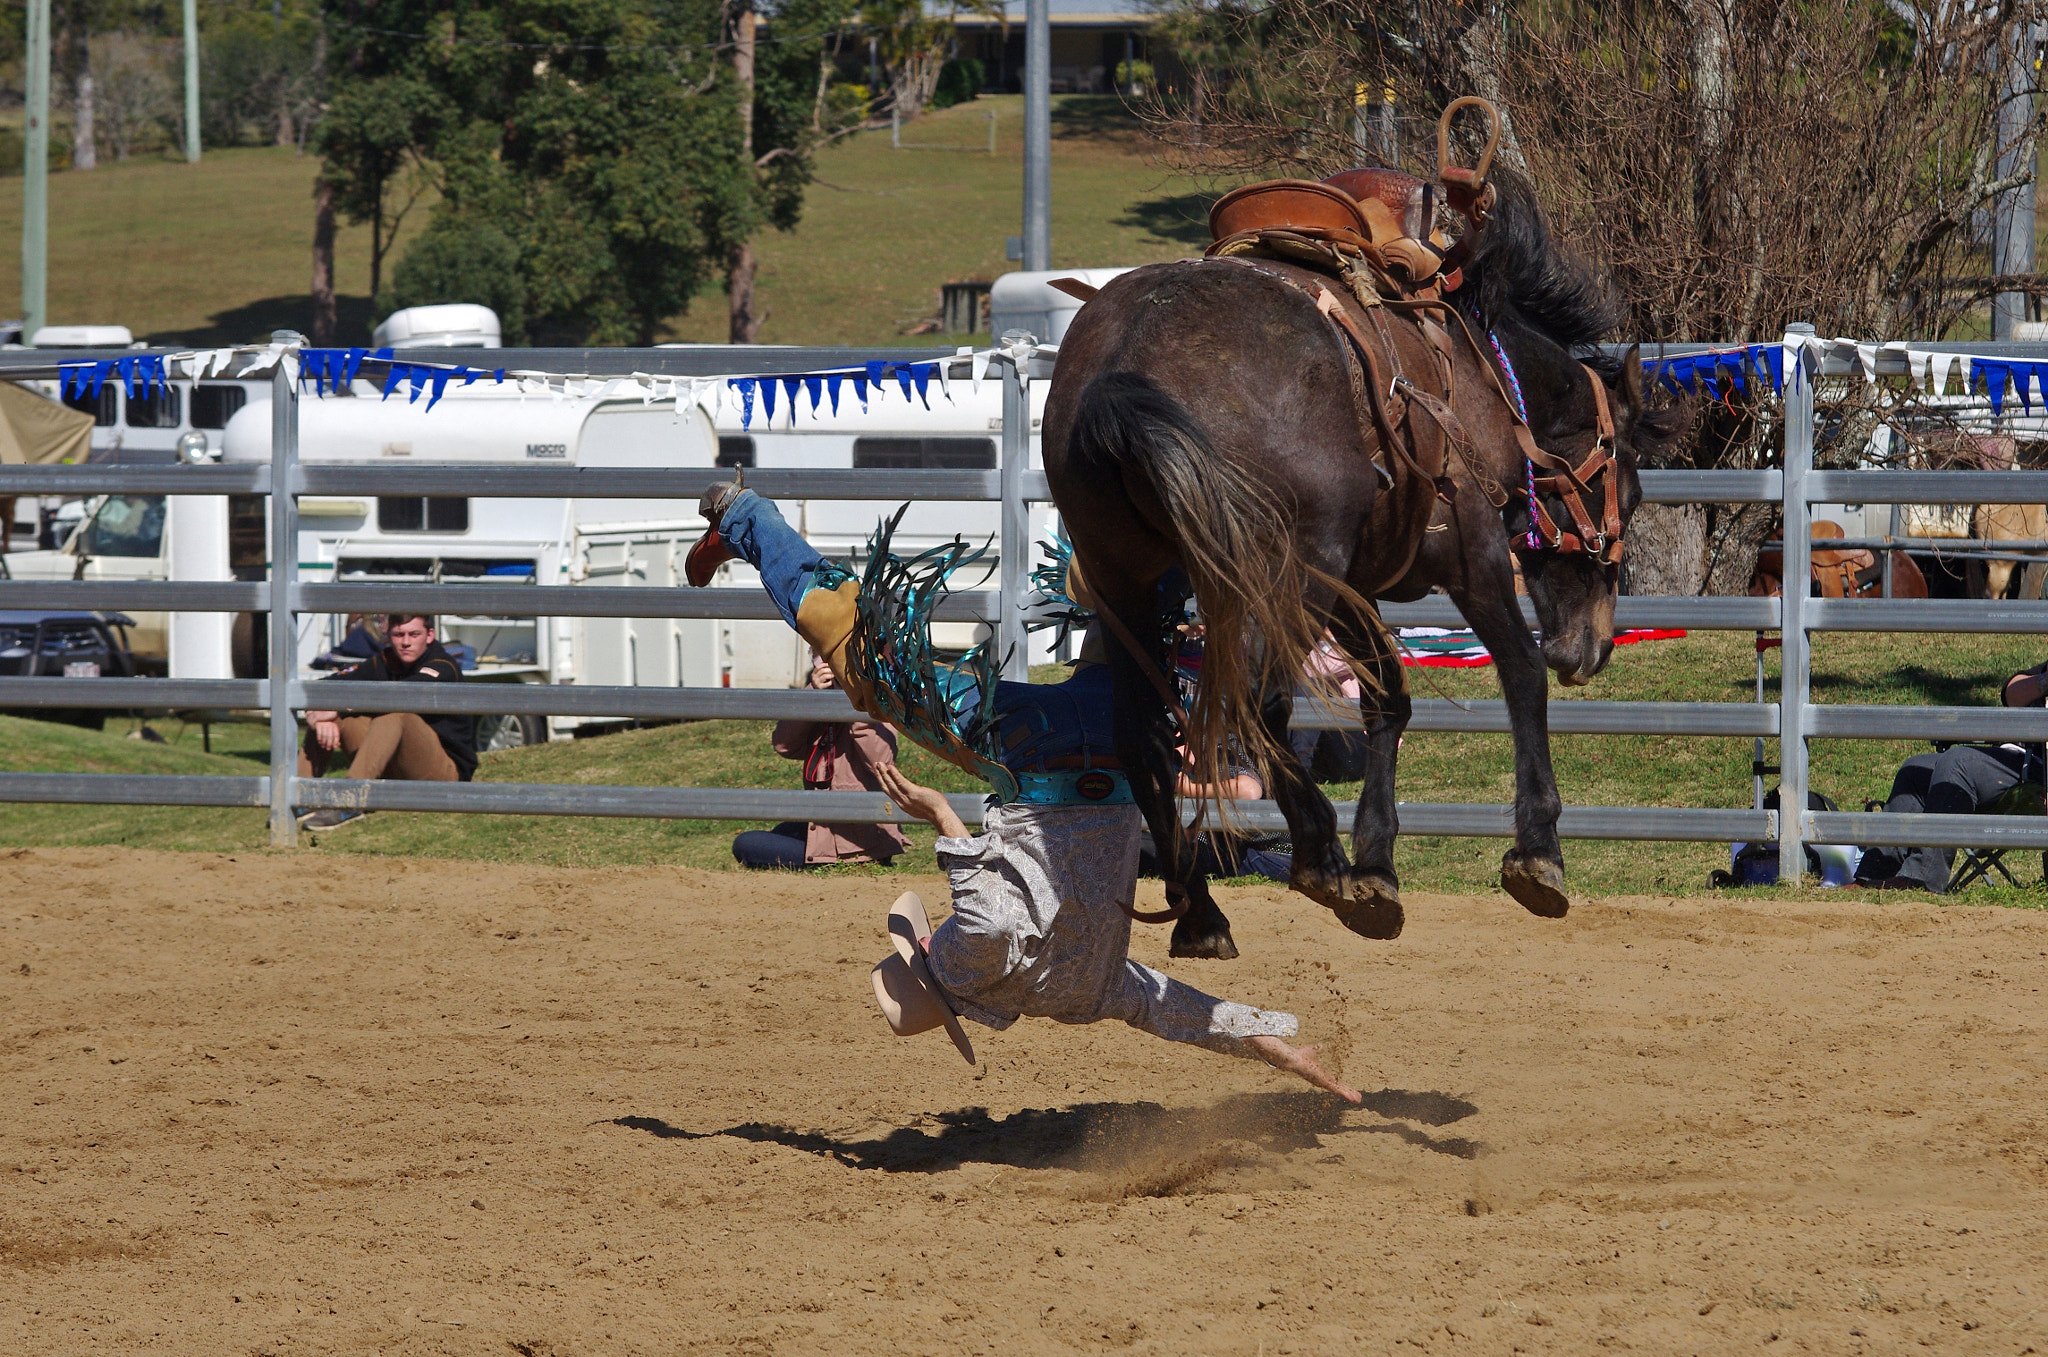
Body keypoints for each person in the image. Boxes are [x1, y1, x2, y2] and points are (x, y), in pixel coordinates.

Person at [689, 482, 1358, 1099]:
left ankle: (1168, 536)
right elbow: (987, 918)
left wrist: (1284, 1051)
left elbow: (1175, 1007)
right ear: (931, 966)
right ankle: (746, 517)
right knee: (865, 657)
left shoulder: (1086, 993)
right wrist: (940, 812)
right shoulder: (960, 962)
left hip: (1117, 754)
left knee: (1146, 637)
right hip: (1028, 750)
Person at [1852, 661, 2048, 893]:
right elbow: (2011, 695)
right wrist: (2043, 682)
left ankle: (1921, 880)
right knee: (1914, 769)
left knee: (1957, 763)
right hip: (2012, 755)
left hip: (2037, 768)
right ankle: (1874, 876)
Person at [298, 613, 477, 831]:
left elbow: (408, 695)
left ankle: (349, 799)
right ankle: (300, 798)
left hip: (445, 775)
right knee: (332, 714)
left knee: (397, 712)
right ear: (388, 635)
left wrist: (337, 707)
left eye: (414, 634)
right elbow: (325, 685)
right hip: (395, 766)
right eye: (398, 634)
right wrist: (319, 714)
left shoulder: (442, 666)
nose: (406, 642)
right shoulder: (385, 661)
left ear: (430, 635)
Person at [731, 651, 909, 869]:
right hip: (828, 823)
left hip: (858, 842)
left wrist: (857, 706)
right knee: (781, 832)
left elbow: (880, 762)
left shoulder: (878, 704)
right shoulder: (823, 703)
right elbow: (784, 745)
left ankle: (840, 861)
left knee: (746, 844)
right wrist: (813, 695)